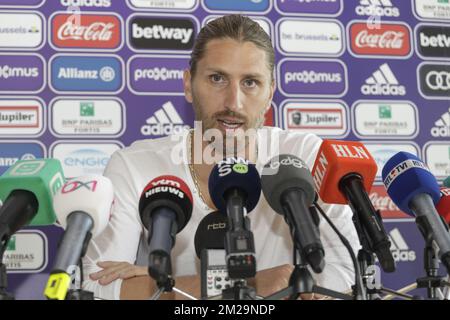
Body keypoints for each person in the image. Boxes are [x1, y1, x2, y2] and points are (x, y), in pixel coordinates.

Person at [82, 14, 360, 300]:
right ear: (189, 85)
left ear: (270, 94)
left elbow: (348, 269)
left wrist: (164, 286)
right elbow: (93, 284)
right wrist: (251, 286)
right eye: (217, 79)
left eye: (250, 83)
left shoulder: (305, 157)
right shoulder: (135, 165)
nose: (233, 103)